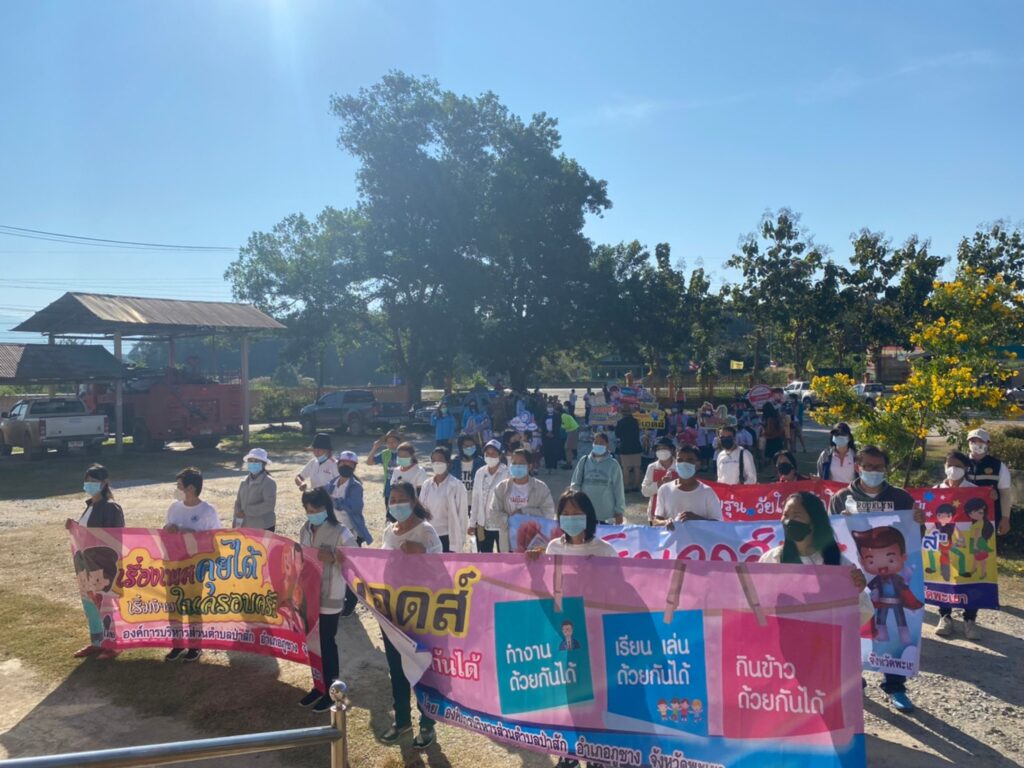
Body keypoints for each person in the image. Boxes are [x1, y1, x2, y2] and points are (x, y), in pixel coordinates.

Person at [827, 445, 923, 713]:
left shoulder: (901, 498)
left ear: (886, 469)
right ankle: (853, 684)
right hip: (853, 576)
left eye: (878, 467)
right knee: (853, 627)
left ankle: (895, 685)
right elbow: (830, 535)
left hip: (891, 577)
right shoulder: (841, 498)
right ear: (858, 467)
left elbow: (915, 538)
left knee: (893, 630)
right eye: (868, 466)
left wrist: (918, 521)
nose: (873, 471)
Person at [531, 490, 616, 768]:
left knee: (598, 697)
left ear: (588, 516)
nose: (571, 518)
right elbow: (548, 590)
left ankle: (596, 754)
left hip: (598, 635)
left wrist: (596, 574)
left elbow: (619, 593)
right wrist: (533, 567)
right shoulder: (554, 548)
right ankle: (571, 751)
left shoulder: (604, 551)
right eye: (565, 514)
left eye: (576, 513)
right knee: (573, 697)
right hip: (569, 636)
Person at [376, 481, 441, 750]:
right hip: (391, 612)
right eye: (392, 500)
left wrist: (422, 552)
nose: (396, 504)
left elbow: (443, 569)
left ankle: (427, 723)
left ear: (413, 502)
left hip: (419, 612)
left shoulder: (426, 531)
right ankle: (402, 719)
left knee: (422, 668)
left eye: (401, 499)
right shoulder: (388, 531)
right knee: (397, 668)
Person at [297, 488, 356, 713]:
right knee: (312, 642)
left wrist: (332, 558)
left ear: (326, 508)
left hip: (330, 595)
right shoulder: (305, 529)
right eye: (309, 510)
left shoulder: (341, 532)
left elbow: (354, 559)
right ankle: (318, 685)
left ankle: (332, 690)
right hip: (309, 595)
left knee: (326, 642)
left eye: (317, 509)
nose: (313, 514)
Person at [164, 467, 220, 663]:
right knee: (174, 605)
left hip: (195, 566)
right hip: (174, 564)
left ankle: (195, 646)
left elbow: (215, 539)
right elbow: (165, 530)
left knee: (193, 606)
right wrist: (168, 528)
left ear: (191, 488)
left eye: (179, 485)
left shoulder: (207, 511)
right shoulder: (174, 507)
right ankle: (177, 644)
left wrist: (192, 534)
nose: (176, 489)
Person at [68, 464, 124, 659]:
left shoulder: (110, 508)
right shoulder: (90, 506)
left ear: (104, 483)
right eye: (87, 481)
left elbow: (116, 537)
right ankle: (97, 641)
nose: (89, 484)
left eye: (94, 481)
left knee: (106, 604)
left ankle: (114, 644)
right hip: (86, 565)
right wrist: (74, 527)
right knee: (91, 604)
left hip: (103, 566)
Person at [934, 450, 980, 640]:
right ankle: (945, 617)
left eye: (958, 466)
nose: (953, 469)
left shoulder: (975, 491)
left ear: (966, 468)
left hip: (967, 543)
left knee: (969, 578)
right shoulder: (935, 490)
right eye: (950, 465)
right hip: (944, 543)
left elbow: (984, 514)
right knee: (944, 577)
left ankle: (970, 619)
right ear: (944, 467)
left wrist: (991, 496)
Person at [325, 451, 372, 617]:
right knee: (334, 567)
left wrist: (335, 502)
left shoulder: (356, 487)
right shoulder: (331, 483)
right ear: (338, 464)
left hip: (350, 533)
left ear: (354, 467)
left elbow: (355, 507)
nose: (345, 466)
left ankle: (351, 602)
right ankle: (337, 599)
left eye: (349, 464)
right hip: (333, 532)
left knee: (350, 570)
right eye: (343, 463)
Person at [488, 448, 556, 552]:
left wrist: (523, 512)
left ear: (530, 466)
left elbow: (548, 513)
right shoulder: (502, 488)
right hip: (508, 544)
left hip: (534, 545)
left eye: (521, 463)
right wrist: (510, 519)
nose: (517, 466)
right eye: (514, 463)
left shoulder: (541, 488)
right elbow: (493, 513)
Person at [653, 444, 723, 526]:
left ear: (698, 464)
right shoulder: (664, 489)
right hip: (673, 535)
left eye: (690, 460)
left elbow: (718, 524)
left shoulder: (707, 492)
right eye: (680, 460)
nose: (684, 463)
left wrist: (697, 519)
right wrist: (665, 522)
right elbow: (655, 521)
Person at [418, 446, 468, 553]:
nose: (437, 463)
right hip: (429, 536)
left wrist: (461, 539)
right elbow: (421, 511)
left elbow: (462, 516)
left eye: (440, 460)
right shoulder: (427, 485)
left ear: (448, 463)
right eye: (434, 461)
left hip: (448, 537)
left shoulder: (457, 486)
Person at [966, 427, 1013, 537]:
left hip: (990, 517)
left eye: (980, 441)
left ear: (988, 443)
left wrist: (1005, 518)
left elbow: (1005, 494)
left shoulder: (998, 466)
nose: (976, 444)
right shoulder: (961, 463)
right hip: (964, 515)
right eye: (973, 441)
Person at [569, 433, 625, 524]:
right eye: (596, 442)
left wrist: (619, 511)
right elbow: (575, 484)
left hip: (606, 515)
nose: (598, 445)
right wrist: (576, 504)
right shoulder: (584, 461)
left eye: (601, 443)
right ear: (592, 444)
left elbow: (618, 489)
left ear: (607, 445)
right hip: (585, 512)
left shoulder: (613, 464)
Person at [469, 440, 510, 553]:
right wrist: (472, 523)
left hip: (502, 524)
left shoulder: (507, 473)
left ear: (500, 455)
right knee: (485, 557)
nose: (490, 456)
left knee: (504, 555)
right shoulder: (480, 473)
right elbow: (475, 499)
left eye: (493, 454)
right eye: (487, 454)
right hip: (483, 524)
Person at [233, 447, 277, 530]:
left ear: (263, 464)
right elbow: (238, 503)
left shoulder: (268, 482)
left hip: (264, 526)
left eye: (256, 461)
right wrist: (236, 522)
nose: (252, 463)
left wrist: (246, 511)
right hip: (245, 525)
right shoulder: (243, 482)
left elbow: (269, 505)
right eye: (250, 461)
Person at [641, 437, 678, 524]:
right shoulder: (652, 467)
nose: (662, 451)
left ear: (672, 450)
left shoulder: (679, 466)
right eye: (658, 449)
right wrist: (659, 484)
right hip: (655, 513)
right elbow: (645, 491)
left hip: (676, 512)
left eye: (664, 448)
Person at [454, 434, 485, 535]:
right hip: (459, 503)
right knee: (458, 531)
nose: (469, 448)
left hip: (476, 503)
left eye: (471, 446)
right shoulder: (454, 463)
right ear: (461, 447)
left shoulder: (481, 462)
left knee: (479, 533)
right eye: (466, 446)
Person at [613, 406, 643, 492]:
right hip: (636, 446)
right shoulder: (636, 421)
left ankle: (626, 487)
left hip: (624, 447)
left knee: (625, 468)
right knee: (637, 467)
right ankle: (636, 486)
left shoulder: (620, 422)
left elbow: (617, 435)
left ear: (622, 413)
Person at [367, 431, 402, 502]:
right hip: (389, 489)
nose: (391, 444)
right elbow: (369, 462)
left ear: (398, 442)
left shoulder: (404, 453)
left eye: (393, 441)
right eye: (388, 442)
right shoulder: (385, 453)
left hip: (402, 489)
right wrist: (374, 448)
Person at [540, 402, 564, 473]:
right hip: (546, 436)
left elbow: (558, 425)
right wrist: (546, 432)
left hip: (554, 436)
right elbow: (542, 424)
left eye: (551, 407)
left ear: (553, 407)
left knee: (554, 451)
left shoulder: (557, 415)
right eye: (548, 407)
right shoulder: (544, 415)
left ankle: (553, 466)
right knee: (547, 451)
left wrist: (552, 433)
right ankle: (547, 467)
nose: (549, 408)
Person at [561, 403, 581, 469]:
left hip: (572, 431)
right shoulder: (565, 415)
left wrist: (560, 426)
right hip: (573, 430)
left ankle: (569, 464)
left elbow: (567, 426)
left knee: (567, 448)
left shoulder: (563, 416)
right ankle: (568, 462)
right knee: (568, 448)